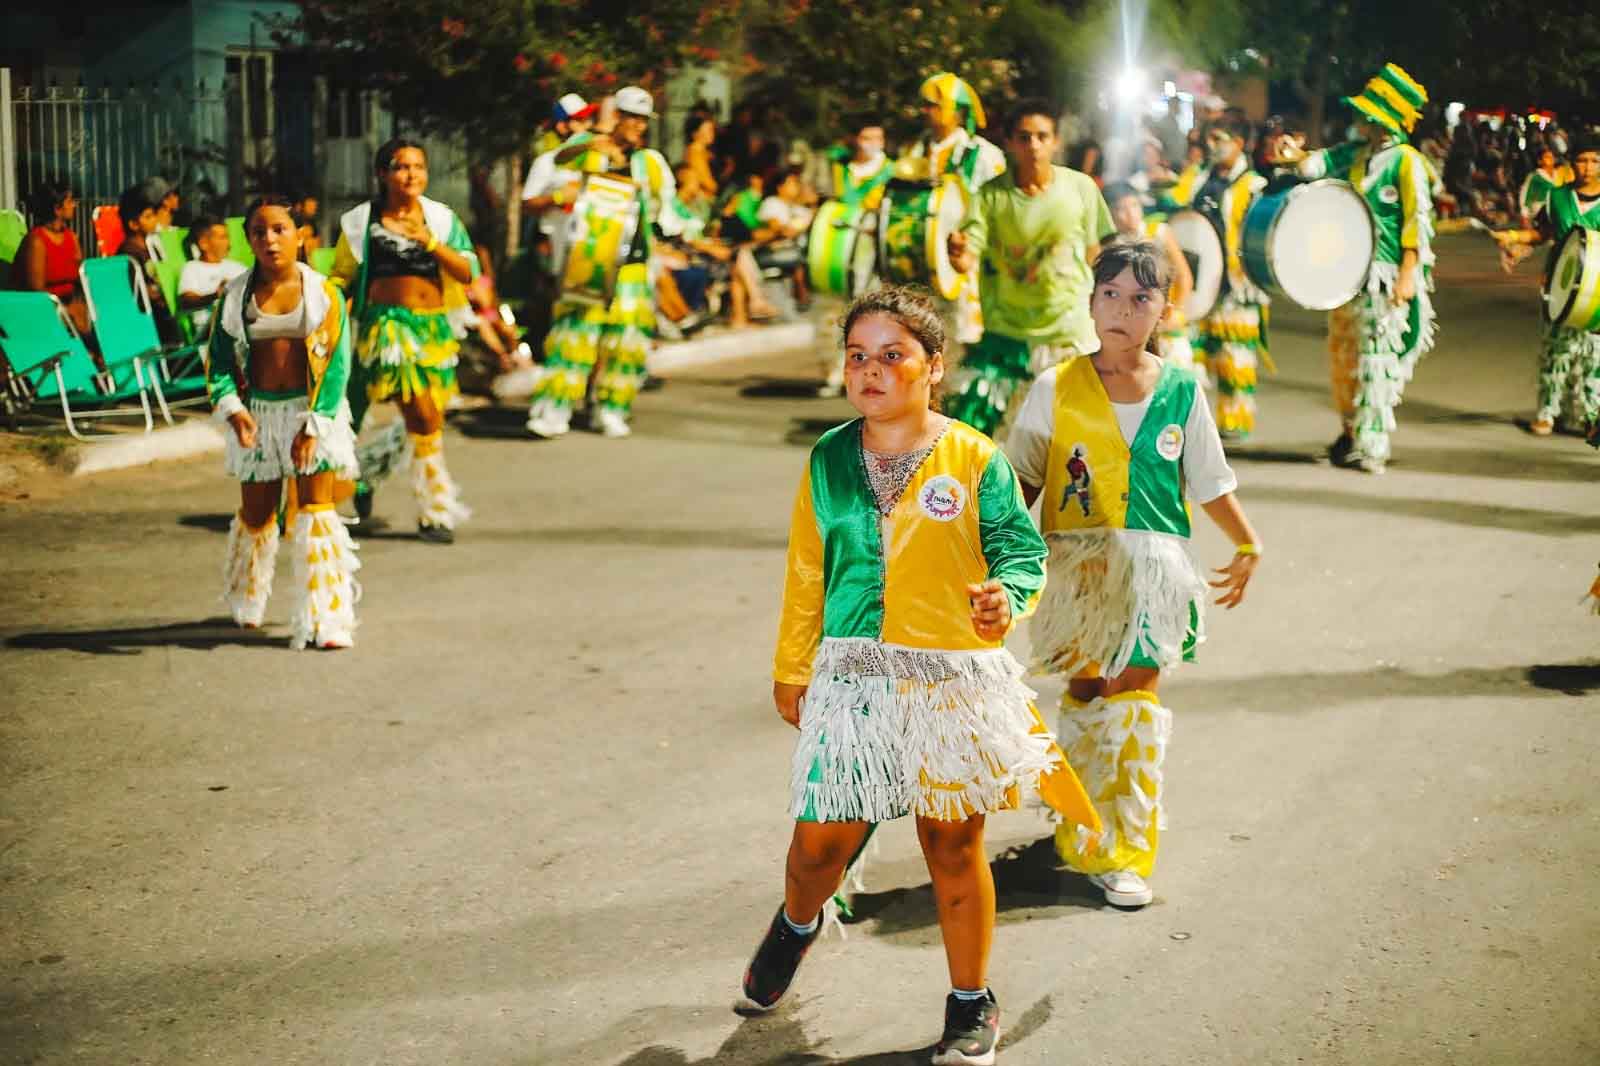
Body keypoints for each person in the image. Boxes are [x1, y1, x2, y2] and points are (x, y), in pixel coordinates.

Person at [739, 284, 1096, 1066]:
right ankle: (798, 923)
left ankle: (972, 1002)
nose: (870, 372)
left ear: (933, 368)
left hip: (951, 682)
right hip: (851, 680)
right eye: (857, 356)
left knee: (950, 843)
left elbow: (1020, 554)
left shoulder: (973, 457)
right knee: (815, 849)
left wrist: (1011, 599)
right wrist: (791, 667)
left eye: (892, 356)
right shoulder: (829, 457)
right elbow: (808, 571)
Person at [1004, 237, 1261, 908]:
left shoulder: (1181, 388)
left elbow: (1207, 479)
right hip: (1080, 572)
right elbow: (1019, 483)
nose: (1122, 310)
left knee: (1134, 703)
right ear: (1090, 304)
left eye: (1140, 298)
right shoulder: (1054, 387)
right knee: (1090, 695)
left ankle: (1125, 850)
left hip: (1155, 574)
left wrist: (1247, 542)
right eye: (1110, 295)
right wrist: (985, 559)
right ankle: (1084, 830)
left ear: (1165, 311)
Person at [207, 195, 361, 650]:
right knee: (257, 515)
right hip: (258, 417)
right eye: (259, 231)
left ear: (299, 236)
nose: (270, 240)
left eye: (279, 229)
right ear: (248, 239)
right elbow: (217, 365)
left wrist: (314, 426)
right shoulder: (234, 296)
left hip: (312, 414)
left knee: (317, 514)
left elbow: (336, 366)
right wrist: (233, 411)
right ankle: (247, 596)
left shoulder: (324, 294)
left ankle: (328, 617)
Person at [1278, 63, 1436, 473]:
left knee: (1377, 359)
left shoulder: (1407, 162)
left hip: (1384, 275)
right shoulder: (1354, 154)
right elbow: (1316, 165)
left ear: (1383, 119)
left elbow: (1417, 221)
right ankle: (1349, 434)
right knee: (1345, 356)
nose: (1359, 121)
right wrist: (1294, 156)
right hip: (1347, 272)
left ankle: (1373, 445)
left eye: (1367, 115)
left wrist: (1408, 273)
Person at [330, 137, 481, 540]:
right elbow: (340, 276)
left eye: (418, 166)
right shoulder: (362, 221)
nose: (411, 174)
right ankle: (436, 510)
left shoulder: (441, 218)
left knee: (425, 417)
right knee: (422, 415)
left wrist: (429, 242)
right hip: (387, 330)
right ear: (382, 174)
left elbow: (469, 271)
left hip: (433, 331)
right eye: (401, 166)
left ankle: (364, 477)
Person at [945, 98, 1115, 437]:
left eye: (1041, 136)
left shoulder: (1080, 188)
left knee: (1075, 445)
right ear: (1009, 143)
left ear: (1056, 141)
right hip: (1007, 335)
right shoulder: (991, 196)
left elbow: (1102, 254)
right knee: (976, 434)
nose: (1033, 145)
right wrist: (956, 253)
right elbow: (967, 257)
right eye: (1024, 137)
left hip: (1068, 334)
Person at [526, 86, 681, 440]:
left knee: (625, 341)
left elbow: (669, 204)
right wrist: (592, 142)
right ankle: (555, 408)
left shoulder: (650, 162)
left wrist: (680, 231)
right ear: (618, 117)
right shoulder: (589, 150)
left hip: (632, 262)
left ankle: (610, 408)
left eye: (644, 121)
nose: (639, 127)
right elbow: (560, 160)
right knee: (573, 336)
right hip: (588, 259)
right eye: (633, 119)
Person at [1163, 113, 1269, 438]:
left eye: (1219, 139)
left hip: (1235, 286)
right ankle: (1188, 424)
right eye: (1210, 138)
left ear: (1239, 143)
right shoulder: (1197, 176)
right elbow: (1174, 204)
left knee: (1232, 358)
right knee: (1189, 355)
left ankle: (1232, 424)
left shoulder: (1255, 186)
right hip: (1195, 281)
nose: (1212, 145)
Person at [906, 73, 1007, 345]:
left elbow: (999, 210)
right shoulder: (914, 153)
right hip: (922, 264)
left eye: (934, 105)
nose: (925, 111)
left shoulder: (983, 154)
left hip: (967, 263)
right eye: (924, 105)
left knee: (963, 335)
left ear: (956, 111)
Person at [1511, 135, 1600, 436]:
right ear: (1571, 163)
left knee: (1594, 356)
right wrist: (1518, 247)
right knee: (1555, 352)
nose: (1587, 167)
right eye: (1582, 160)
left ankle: (1592, 418)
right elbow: (1542, 233)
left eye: (1595, 161)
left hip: (1598, 292)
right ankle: (1547, 412)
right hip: (1560, 286)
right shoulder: (1556, 197)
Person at [1103, 181, 1199, 381]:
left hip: (1166, 326)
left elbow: (1184, 277)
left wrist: (1178, 311)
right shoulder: (1111, 245)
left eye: (1134, 205)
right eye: (1120, 209)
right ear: (1109, 214)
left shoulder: (1159, 232)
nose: (1129, 213)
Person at [10, 180, 92, 341]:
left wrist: (82, 306)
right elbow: (37, 294)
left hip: (68, 307)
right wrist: (67, 312)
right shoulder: (36, 242)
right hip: (44, 312)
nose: (74, 205)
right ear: (57, 208)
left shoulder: (71, 238)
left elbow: (81, 279)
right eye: (70, 201)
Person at [116, 184, 180, 344]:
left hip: (161, 305)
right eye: (148, 217)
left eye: (153, 216)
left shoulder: (152, 245)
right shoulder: (128, 252)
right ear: (133, 224)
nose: (154, 221)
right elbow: (134, 289)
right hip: (147, 312)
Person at [178, 215, 248, 335]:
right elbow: (186, 300)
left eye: (227, 237)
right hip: (212, 330)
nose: (228, 242)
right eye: (222, 237)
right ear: (203, 243)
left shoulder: (237, 267)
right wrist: (216, 295)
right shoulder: (192, 268)